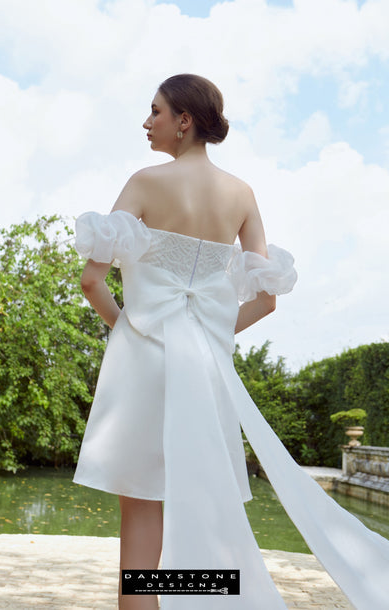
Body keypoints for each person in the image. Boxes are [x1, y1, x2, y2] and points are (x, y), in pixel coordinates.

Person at [73, 74, 389, 610]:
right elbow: (266, 299)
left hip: (143, 371)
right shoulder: (241, 194)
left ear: (184, 120)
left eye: (154, 111)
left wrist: (129, 326)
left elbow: (90, 280)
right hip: (207, 370)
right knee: (203, 517)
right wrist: (207, 334)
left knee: (141, 525)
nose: (145, 122)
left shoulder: (145, 183)